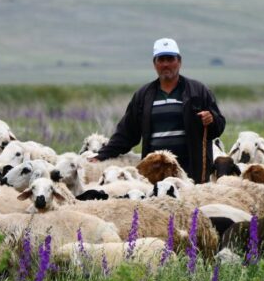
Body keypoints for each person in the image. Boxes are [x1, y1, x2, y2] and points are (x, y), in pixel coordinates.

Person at [90, 38, 225, 183]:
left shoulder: (198, 91)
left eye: (170, 59)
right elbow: (127, 133)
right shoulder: (143, 95)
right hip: (154, 172)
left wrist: (211, 120)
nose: (166, 64)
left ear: (179, 62)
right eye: (161, 60)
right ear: (154, 64)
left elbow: (218, 127)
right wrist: (102, 155)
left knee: (192, 205)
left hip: (190, 170)